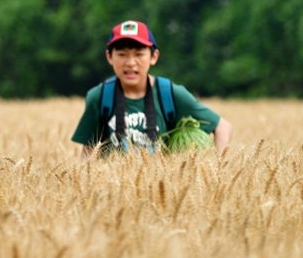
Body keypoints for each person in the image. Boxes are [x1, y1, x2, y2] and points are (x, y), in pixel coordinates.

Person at [71, 19, 232, 156]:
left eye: (139, 54)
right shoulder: (99, 97)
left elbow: (222, 127)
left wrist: (217, 169)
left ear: (153, 57)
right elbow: (88, 154)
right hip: (114, 189)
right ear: (109, 57)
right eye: (122, 54)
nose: (130, 62)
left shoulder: (170, 94)